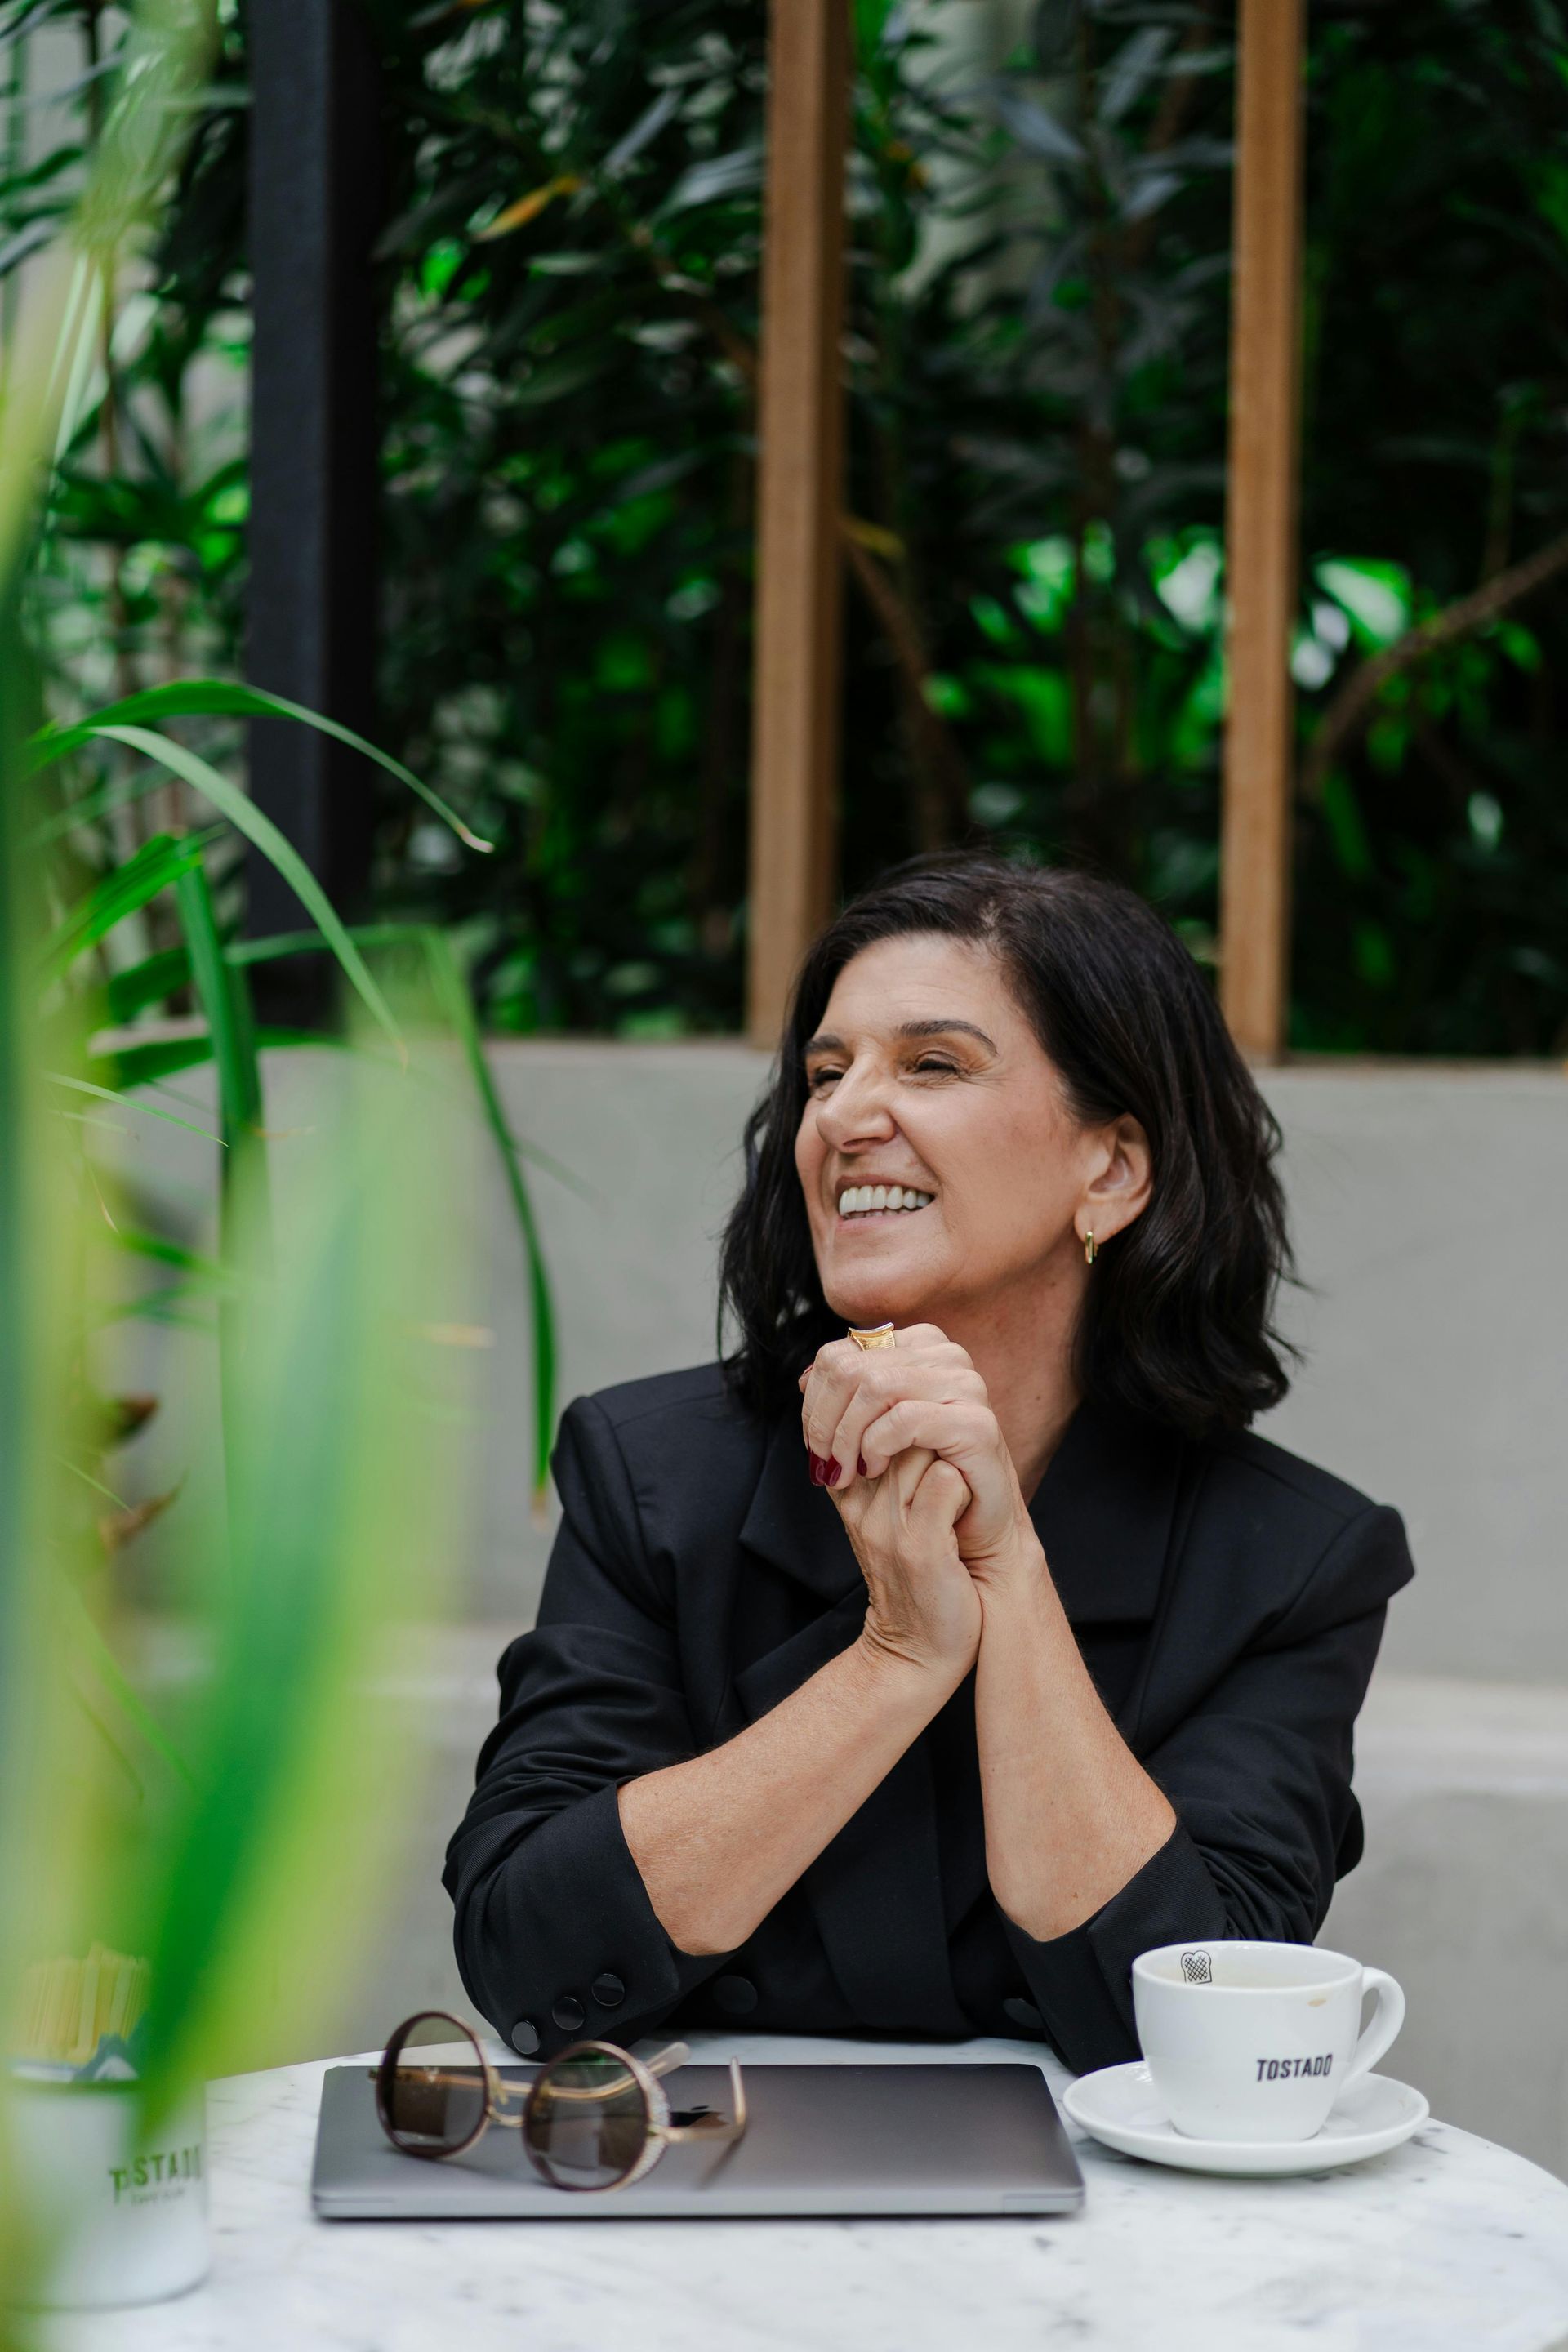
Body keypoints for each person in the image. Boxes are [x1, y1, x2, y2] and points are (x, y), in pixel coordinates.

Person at [444, 854, 1414, 2074]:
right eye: (826, 1074)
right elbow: (528, 1960)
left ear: (1112, 1168)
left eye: (934, 1065)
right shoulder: (649, 1474)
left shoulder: (1294, 1564)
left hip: (1096, 2197)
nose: (843, 1118)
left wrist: (1007, 1576)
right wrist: (896, 1659)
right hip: (692, 2177)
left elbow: (1201, 2022)